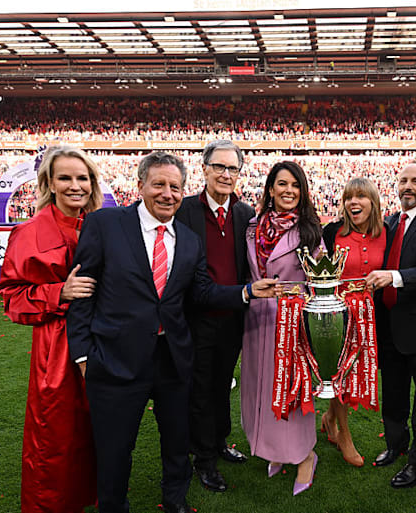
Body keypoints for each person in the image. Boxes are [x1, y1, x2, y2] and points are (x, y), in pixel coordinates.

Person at [66, 151, 277, 513]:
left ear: (183, 191)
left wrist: (244, 292)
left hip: (174, 359)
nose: (168, 194)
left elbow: (201, 292)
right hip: (116, 359)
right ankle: (113, 505)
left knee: (177, 442)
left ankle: (175, 499)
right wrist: (83, 353)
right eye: (159, 185)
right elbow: (82, 292)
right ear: (140, 185)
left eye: (175, 187)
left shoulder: (190, 240)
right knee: (116, 447)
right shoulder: (105, 224)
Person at [0, 145, 103, 513]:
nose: (75, 186)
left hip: (103, 343)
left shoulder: (102, 224)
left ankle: (90, 497)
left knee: (99, 431)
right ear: (49, 183)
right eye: (65, 178)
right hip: (56, 352)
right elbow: (12, 299)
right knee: (55, 437)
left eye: (82, 178)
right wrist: (61, 292)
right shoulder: (29, 232)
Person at [174, 140, 254, 493]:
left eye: (232, 169)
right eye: (219, 167)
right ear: (204, 169)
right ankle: (203, 459)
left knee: (223, 384)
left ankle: (220, 442)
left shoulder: (245, 214)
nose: (225, 174)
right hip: (196, 317)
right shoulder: (184, 210)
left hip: (235, 318)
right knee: (201, 389)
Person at [240, 160, 323, 496]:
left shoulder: (309, 232)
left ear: (302, 192)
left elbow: (320, 283)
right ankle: (276, 450)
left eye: (295, 185)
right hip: (256, 322)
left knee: (290, 392)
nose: (289, 191)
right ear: (270, 189)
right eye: (282, 184)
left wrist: (295, 296)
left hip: (292, 323)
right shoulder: (251, 227)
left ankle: (305, 455)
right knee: (260, 388)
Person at [365, 162, 416, 489]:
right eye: (403, 180)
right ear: (396, 185)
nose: (408, 186)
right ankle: (395, 445)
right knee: (394, 395)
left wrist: (393, 277)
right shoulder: (387, 224)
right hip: (389, 328)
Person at [320, 177, 389, 468]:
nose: (353, 203)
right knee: (339, 376)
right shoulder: (331, 232)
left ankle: (329, 418)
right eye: (349, 197)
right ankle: (344, 437)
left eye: (360, 197)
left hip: (375, 316)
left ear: (373, 202)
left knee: (359, 373)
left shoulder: (388, 232)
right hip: (337, 316)